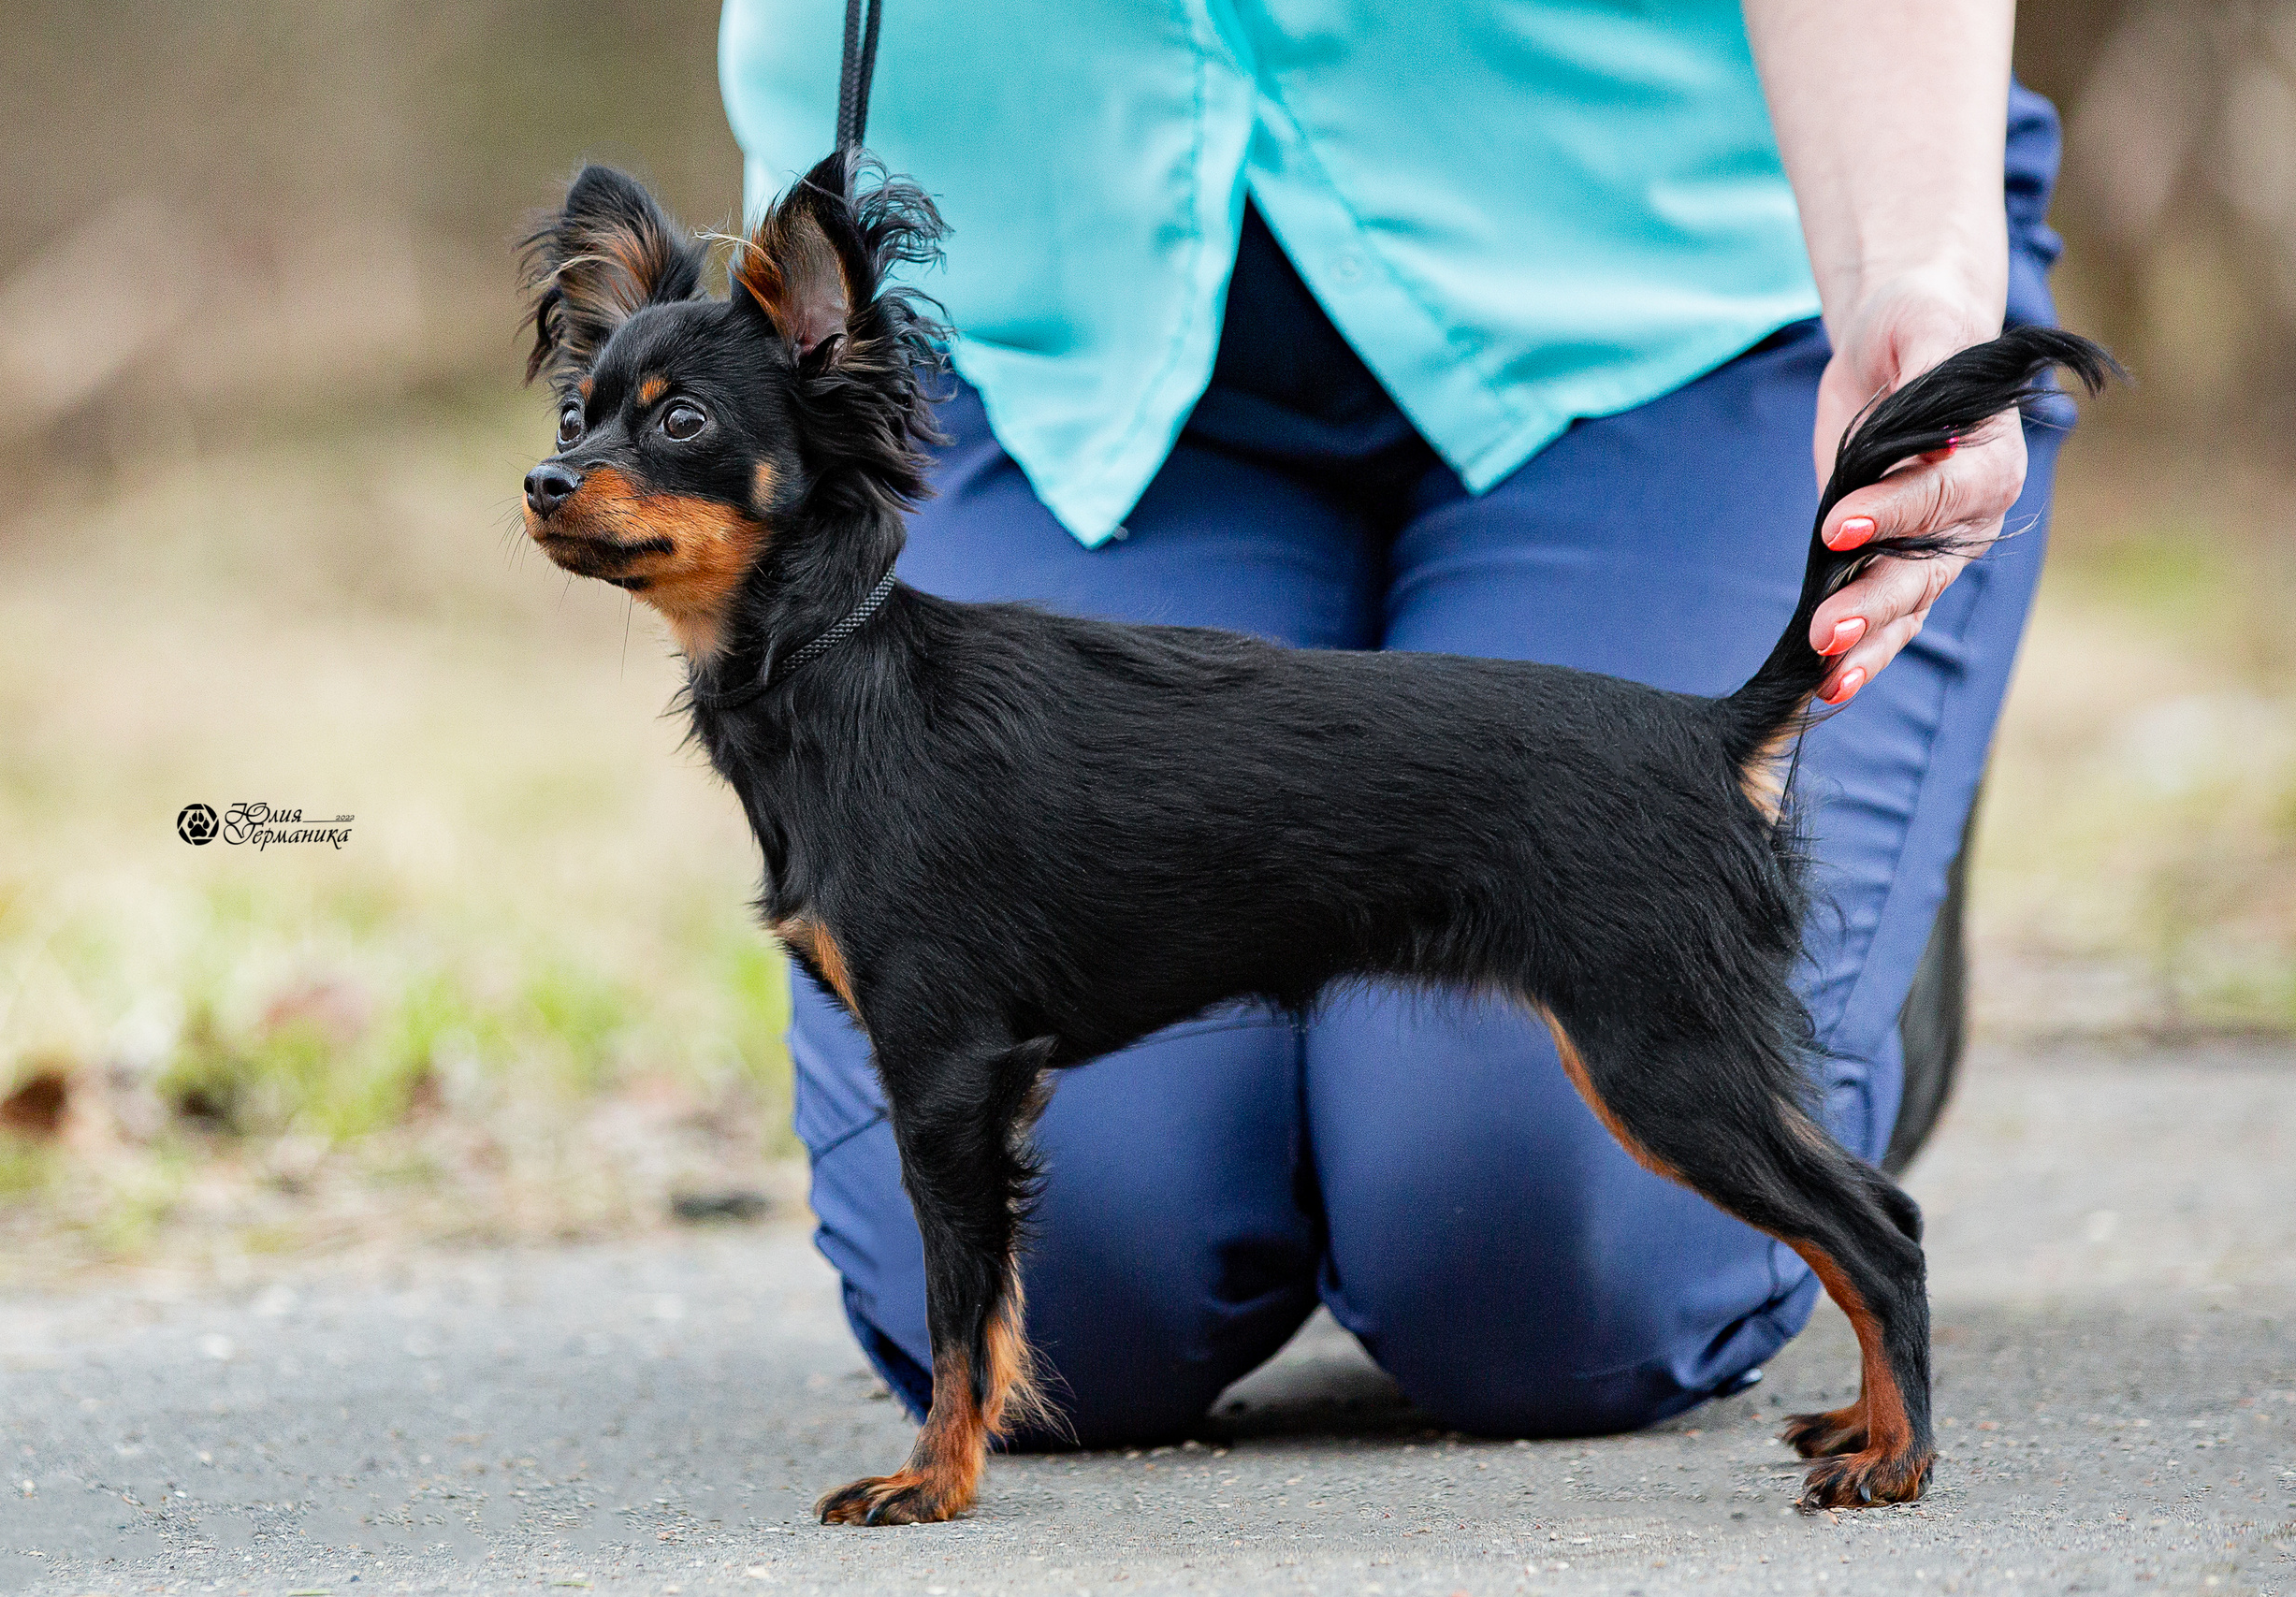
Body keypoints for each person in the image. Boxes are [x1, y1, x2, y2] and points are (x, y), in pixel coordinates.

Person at [718, 0, 2072, 1443]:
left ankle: (1793, 904)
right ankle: (1347, 1066)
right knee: (1093, 1295)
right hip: (1038, 337)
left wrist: (1906, 265)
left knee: (1543, 1271)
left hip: (1684, 302)